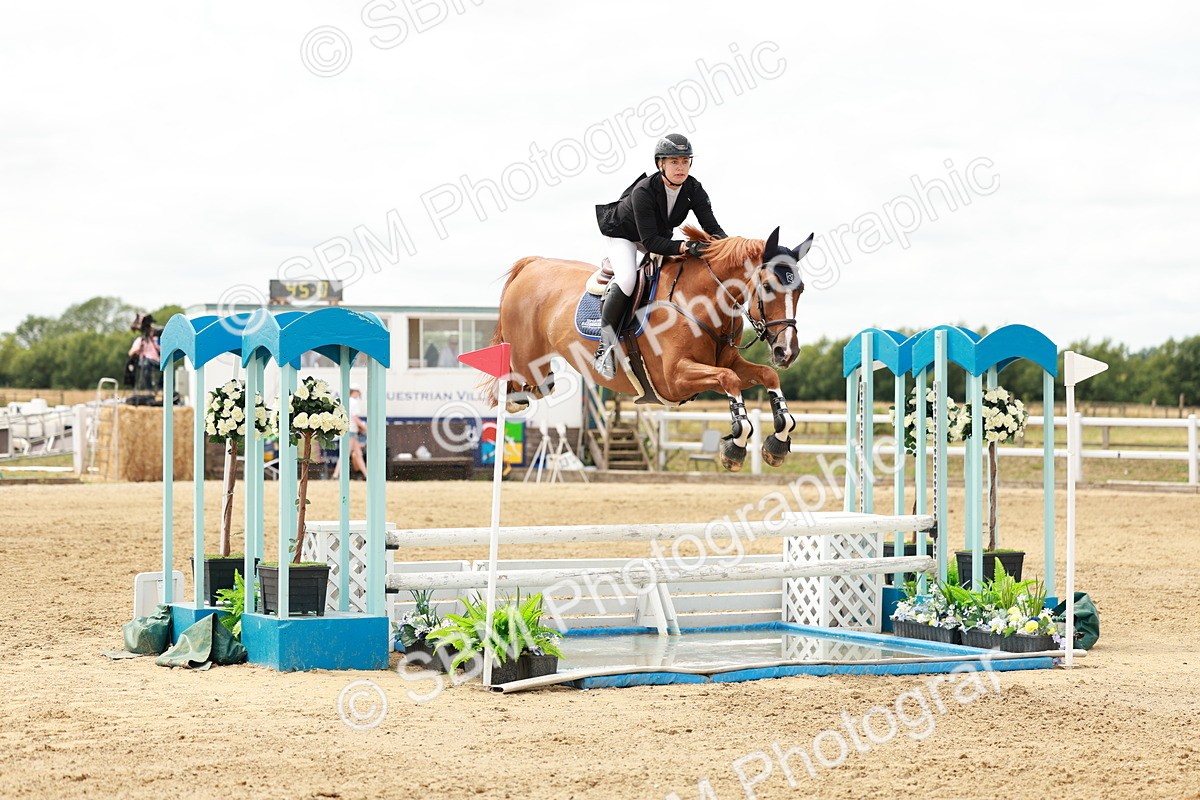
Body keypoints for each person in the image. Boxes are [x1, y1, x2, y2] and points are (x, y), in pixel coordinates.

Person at [592, 133, 728, 378]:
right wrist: (686, 246)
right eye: (674, 161)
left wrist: (729, 249)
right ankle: (605, 347)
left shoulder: (693, 189)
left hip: (657, 236)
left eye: (685, 161)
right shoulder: (644, 191)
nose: (680, 167)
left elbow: (713, 229)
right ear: (660, 164)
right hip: (625, 234)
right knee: (627, 280)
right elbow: (651, 242)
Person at [332, 385, 368, 479]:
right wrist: (363, 427)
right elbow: (354, 417)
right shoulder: (354, 402)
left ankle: (366, 475)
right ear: (355, 392)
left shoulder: (346, 401)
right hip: (351, 430)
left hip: (348, 430)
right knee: (345, 454)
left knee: (358, 454)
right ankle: (335, 475)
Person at [128, 314, 161, 393]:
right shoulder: (140, 340)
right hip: (144, 361)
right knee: (145, 363)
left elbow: (161, 350)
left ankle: (159, 387)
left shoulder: (155, 339)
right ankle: (148, 390)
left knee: (166, 367)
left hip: (155, 361)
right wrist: (138, 348)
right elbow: (130, 353)